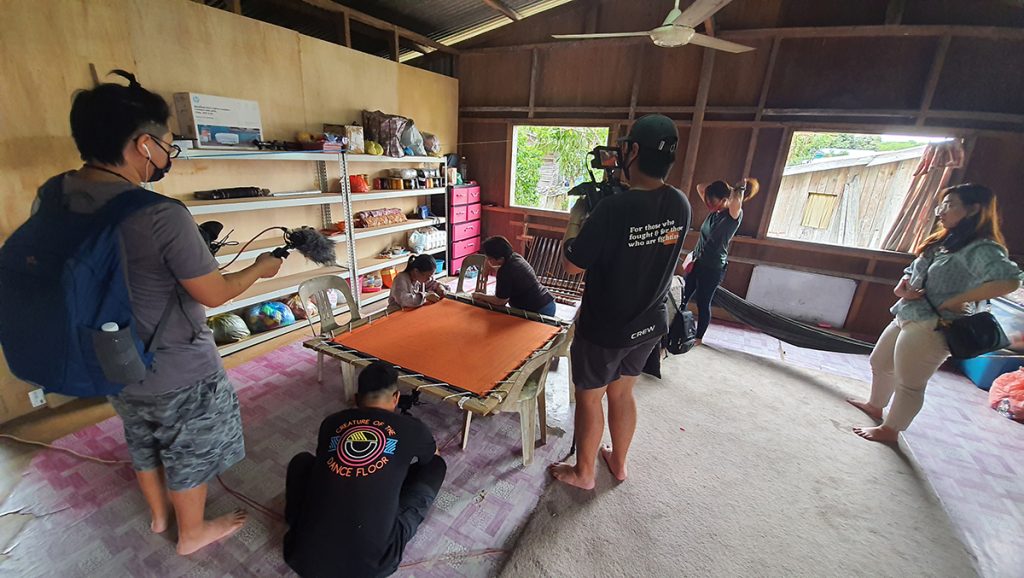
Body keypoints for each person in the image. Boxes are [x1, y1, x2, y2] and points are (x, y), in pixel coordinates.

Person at [58, 71, 283, 554]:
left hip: (111, 357)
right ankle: (192, 532)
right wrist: (260, 269)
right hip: (177, 367)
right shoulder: (160, 214)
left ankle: (160, 516)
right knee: (189, 449)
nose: (167, 155)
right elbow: (214, 293)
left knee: (142, 437)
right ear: (144, 145)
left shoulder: (58, 198)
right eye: (166, 145)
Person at [551, 114, 691, 489]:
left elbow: (572, 265)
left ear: (632, 151)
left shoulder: (612, 209)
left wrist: (576, 220)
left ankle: (584, 473)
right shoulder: (680, 203)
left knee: (590, 398)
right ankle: (619, 462)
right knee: (623, 392)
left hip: (605, 329)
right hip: (650, 322)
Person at [848, 184, 1022, 443]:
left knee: (910, 381)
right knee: (880, 362)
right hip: (908, 312)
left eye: (950, 205)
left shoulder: (981, 248)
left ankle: (891, 430)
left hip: (935, 323)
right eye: (942, 204)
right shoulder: (943, 240)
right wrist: (902, 287)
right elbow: (914, 269)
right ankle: (875, 405)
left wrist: (957, 299)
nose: (941, 211)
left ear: (973, 209)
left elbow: (1009, 280)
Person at [284, 361, 446, 577]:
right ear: (396, 398)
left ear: (356, 398)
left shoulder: (331, 422)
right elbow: (432, 456)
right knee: (436, 465)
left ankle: (298, 522)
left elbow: (325, 463)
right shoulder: (413, 428)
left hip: (302, 556)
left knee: (302, 461)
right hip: (375, 565)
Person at [680, 178, 759, 345]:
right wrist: (723, 189)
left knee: (703, 302)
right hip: (697, 260)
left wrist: (737, 190)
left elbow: (736, 202)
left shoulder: (732, 216)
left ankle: (699, 337)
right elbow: (700, 186)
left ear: (724, 200)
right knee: (683, 297)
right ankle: (678, 328)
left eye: (713, 203)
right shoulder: (714, 211)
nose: (709, 205)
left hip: (713, 267)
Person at [473, 235, 556, 316]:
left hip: (539, 310)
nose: (487, 260)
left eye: (489, 258)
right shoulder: (515, 256)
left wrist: (480, 296)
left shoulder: (505, 272)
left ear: (500, 259)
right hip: (547, 302)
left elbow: (500, 301)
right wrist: (486, 268)